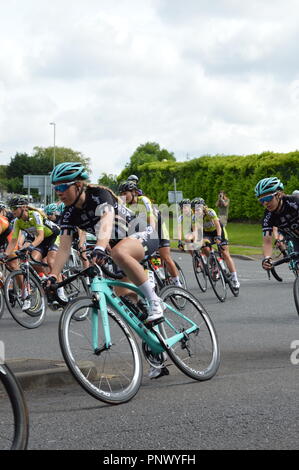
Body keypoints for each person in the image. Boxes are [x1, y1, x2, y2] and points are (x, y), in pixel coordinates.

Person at [47, 162, 165, 325]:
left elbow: (106, 222)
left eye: (62, 188)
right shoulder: (68, 213)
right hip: (118, 249)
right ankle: (152, 338)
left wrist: (100, 247)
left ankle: (155, 301)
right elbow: (64, 248)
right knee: (126, 304)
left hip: (142, 234)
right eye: (55, 188)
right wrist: (53, 275)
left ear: (78, 185)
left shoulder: (99, 194)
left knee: (118, 252)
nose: (58, 193)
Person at [4, 196, 63, 309]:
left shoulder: (35, 215)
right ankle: (44, 278)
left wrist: (30, 247)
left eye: (14, 208)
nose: (12, 211)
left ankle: (61, 290)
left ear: (23, 207)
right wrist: (5, 254)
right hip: (39, 240)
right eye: (11, 208)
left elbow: (40, 236)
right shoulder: (18, 221)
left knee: (51, 261)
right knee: (33, 261)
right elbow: (13, 241)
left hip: (53, 236)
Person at [119, 180, 182, 287]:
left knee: (165, 257)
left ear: (133, 192)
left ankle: (177, 283)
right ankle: (155, 274)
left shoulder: (143, 200)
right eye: (121, 195)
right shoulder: (126, 206)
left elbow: (151, 218)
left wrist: (150, 232)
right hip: (143, 231)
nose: (124, 196)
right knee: (143, 257)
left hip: (158, 227)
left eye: (125, 193)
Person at [192, 197, 240, 290]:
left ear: (203, 207)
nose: (197, 211)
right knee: (204, 247)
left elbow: (218, 225)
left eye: (198, 209)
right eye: (194, 210)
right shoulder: (194, 218)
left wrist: (218, 237)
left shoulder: (210, 212)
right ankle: (213, 262)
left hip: (217, 231)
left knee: (225, 253)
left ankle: (235, 279)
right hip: (207, 233)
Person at [254, 177, 299, 271]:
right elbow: (267, 241)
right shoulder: (268, 217)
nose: (265, 203)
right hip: (296, 239)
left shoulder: (294, 202)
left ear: (278, 194)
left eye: (268, 198)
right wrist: (267, 258)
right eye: (261, 200)